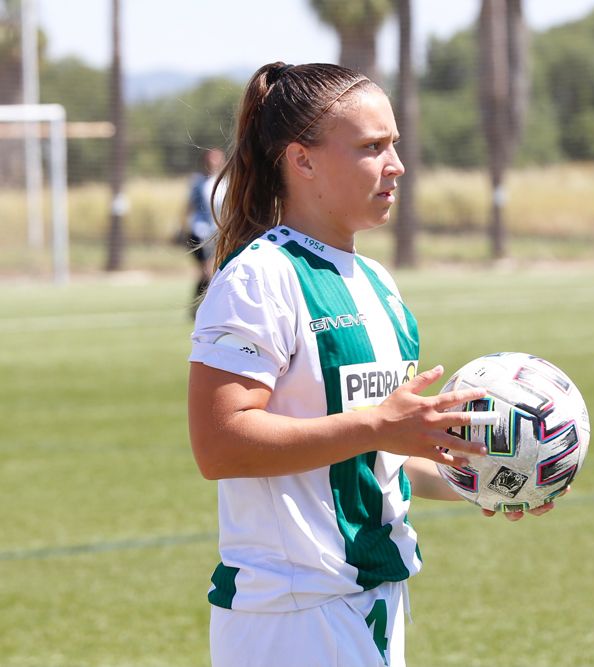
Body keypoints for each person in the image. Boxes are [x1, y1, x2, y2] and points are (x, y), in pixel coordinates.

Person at [187, 62, 560, 667]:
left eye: (394, 144)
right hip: (291, 619)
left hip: (373, 602)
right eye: (371, 147)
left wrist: (486, 478)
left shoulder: (378, 285)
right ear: (301, 161)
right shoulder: (260, 278)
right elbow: (220, 445)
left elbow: (372, 461)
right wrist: (379, 426)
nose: (397, 165)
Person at [184, 147, 225, 312]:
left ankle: (199, 307)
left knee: (211, 271)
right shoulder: (199, 182)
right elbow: (189, 207)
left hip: (219, 233)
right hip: (200, 232)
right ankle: (200, 307)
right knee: (208, 270)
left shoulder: (226, 182)